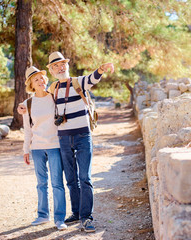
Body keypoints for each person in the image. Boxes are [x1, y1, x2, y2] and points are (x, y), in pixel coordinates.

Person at [19, 52, 114, 233]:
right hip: (63, 138)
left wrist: (102, 68)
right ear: (52, 71)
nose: (60, 68)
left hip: (83, 136)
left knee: (84, 178)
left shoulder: (79, 81)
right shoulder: (53, 88)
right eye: (56, 66)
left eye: (63, 64)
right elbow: (36, 99)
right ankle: (77, 212)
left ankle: (87, 218)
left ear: (67, 66)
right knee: (70, 180)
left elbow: (93, 78)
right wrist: (21, 107)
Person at [22, 66, 67, 230]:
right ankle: (42, 215)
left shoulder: (54, 98)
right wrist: (26, 150)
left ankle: (60, 219)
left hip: (55, 145)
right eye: (36, 80)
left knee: (57, 183)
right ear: (31, 85)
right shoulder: (28, 104)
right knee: (41, 183)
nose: (40, 81)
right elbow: (28, 129)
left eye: (42, 78)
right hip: (37, 148)